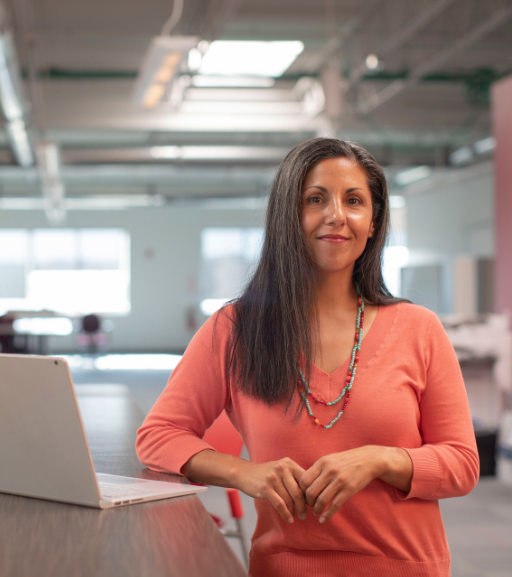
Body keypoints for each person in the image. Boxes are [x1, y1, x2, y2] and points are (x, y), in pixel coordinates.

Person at [136, 138, 478, 576]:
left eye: (354, 200)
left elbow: (463, 464)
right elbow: (159, 435)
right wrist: (244, 473)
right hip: (285, 568)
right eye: (315, 199)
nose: (337, 215)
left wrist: (380, 459)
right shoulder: (236, 329)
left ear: (373, 222)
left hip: (404, 566)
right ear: (289, 217)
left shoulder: (419, 328)